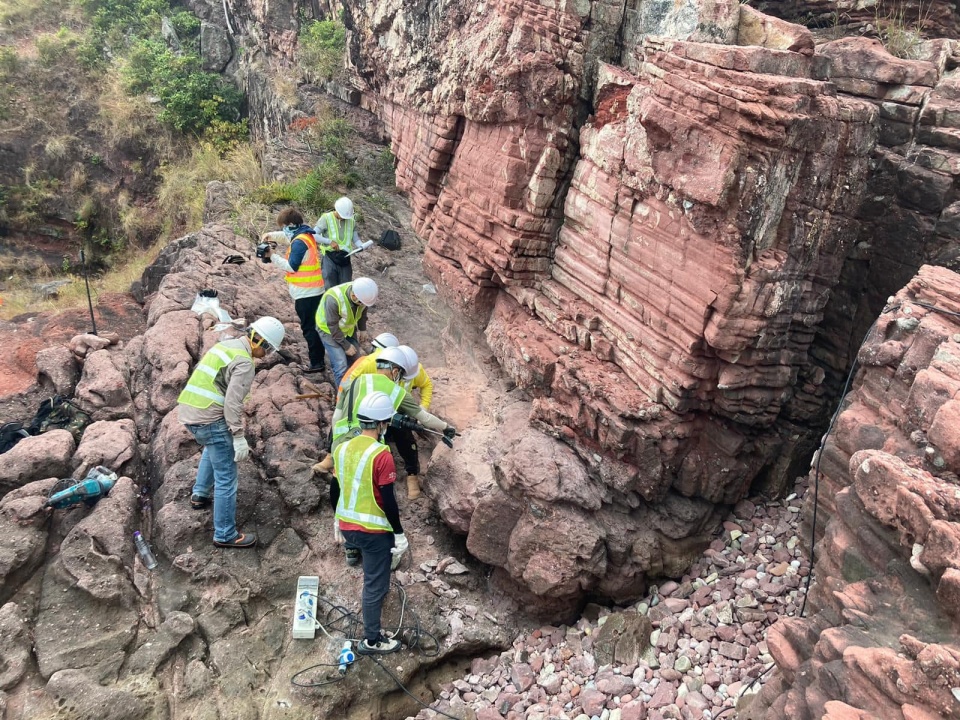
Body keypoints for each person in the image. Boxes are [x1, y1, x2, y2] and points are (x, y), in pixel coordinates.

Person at [177, 317, 286, 548]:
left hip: (190, 411)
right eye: (268, 349)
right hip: (209, 419)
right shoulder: (245, 362)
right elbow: (232, 404)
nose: (267, 354)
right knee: (226, 477)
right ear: (261, 343)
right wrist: (237, 436)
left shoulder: (226, 345)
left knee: (213, 446)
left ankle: (200, 494)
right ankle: (225, 534)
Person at [331, 391, 408, 655]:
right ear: (381, 424)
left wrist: (337, 518)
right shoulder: (381, 454)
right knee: (374, 584)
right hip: (373, 532)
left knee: (373, 575)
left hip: (347, 527)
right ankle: (372, 640)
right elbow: (388, 500)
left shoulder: (342, 448)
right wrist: (398, 533)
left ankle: (373, 620)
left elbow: (339, 487)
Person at [258, 208, 325, 373]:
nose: (283, 230)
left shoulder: (299, 243)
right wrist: (271, 235)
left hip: (306, 293)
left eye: (284, 226)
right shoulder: (305, 235)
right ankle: (319, 359)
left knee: (309, 329)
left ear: (291, 225)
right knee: (315, 326)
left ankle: (317, 364)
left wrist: (272, 255)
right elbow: (287, 237)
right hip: (314, 290)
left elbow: (291, 267)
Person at [316, 277, 379, 389]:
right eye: (361, 303)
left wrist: (362, 329)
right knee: (341, 365)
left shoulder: (362, 293)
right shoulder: (334, 299)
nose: (363, 305)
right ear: (354, 296)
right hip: (328, 330)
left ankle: (354, 389)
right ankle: (342, 398)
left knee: (356, 362)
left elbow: (363, 312)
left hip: (347, 329)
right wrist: (346, 346)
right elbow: (332, 326)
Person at [391, 345, 434, 500]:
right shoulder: (380, 372)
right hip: (379, 409)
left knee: (406, 439)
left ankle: (412, 474)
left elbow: (426, 385)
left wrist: (423, 408)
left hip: (401, 407)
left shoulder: (415, 369)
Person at [314, 196, 366, 290]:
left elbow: (356, 239)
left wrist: (361, 246)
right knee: (330, 286)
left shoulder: (352, 222)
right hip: (329, 257)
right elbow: (314, 235)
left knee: (345, 287)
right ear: (336, 209)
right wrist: (329, 242)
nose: (343, 218)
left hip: (345, 258)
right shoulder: (326, 218)